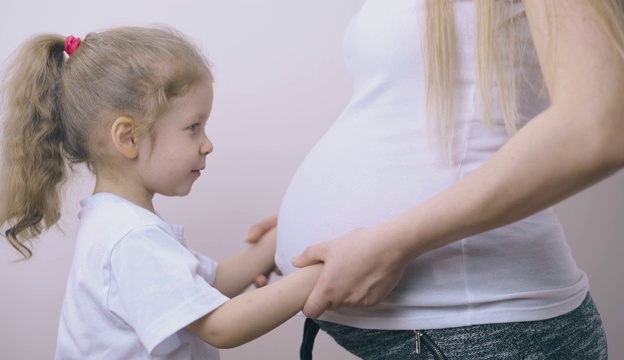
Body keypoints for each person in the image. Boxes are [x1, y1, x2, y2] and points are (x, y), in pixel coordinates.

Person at [248, 0, 624, 358]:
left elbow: (596, 127)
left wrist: (391, 243)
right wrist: (316, 219)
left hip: (488, 325)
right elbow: (406, 111)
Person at [0, 26, 322, 359]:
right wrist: (321, 276)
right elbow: (221, 326)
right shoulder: (132, 237)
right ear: (128, 138)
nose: (208, 144)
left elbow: (211, 284)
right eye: (193, 127)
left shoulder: (117, 222)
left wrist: (275, 241)